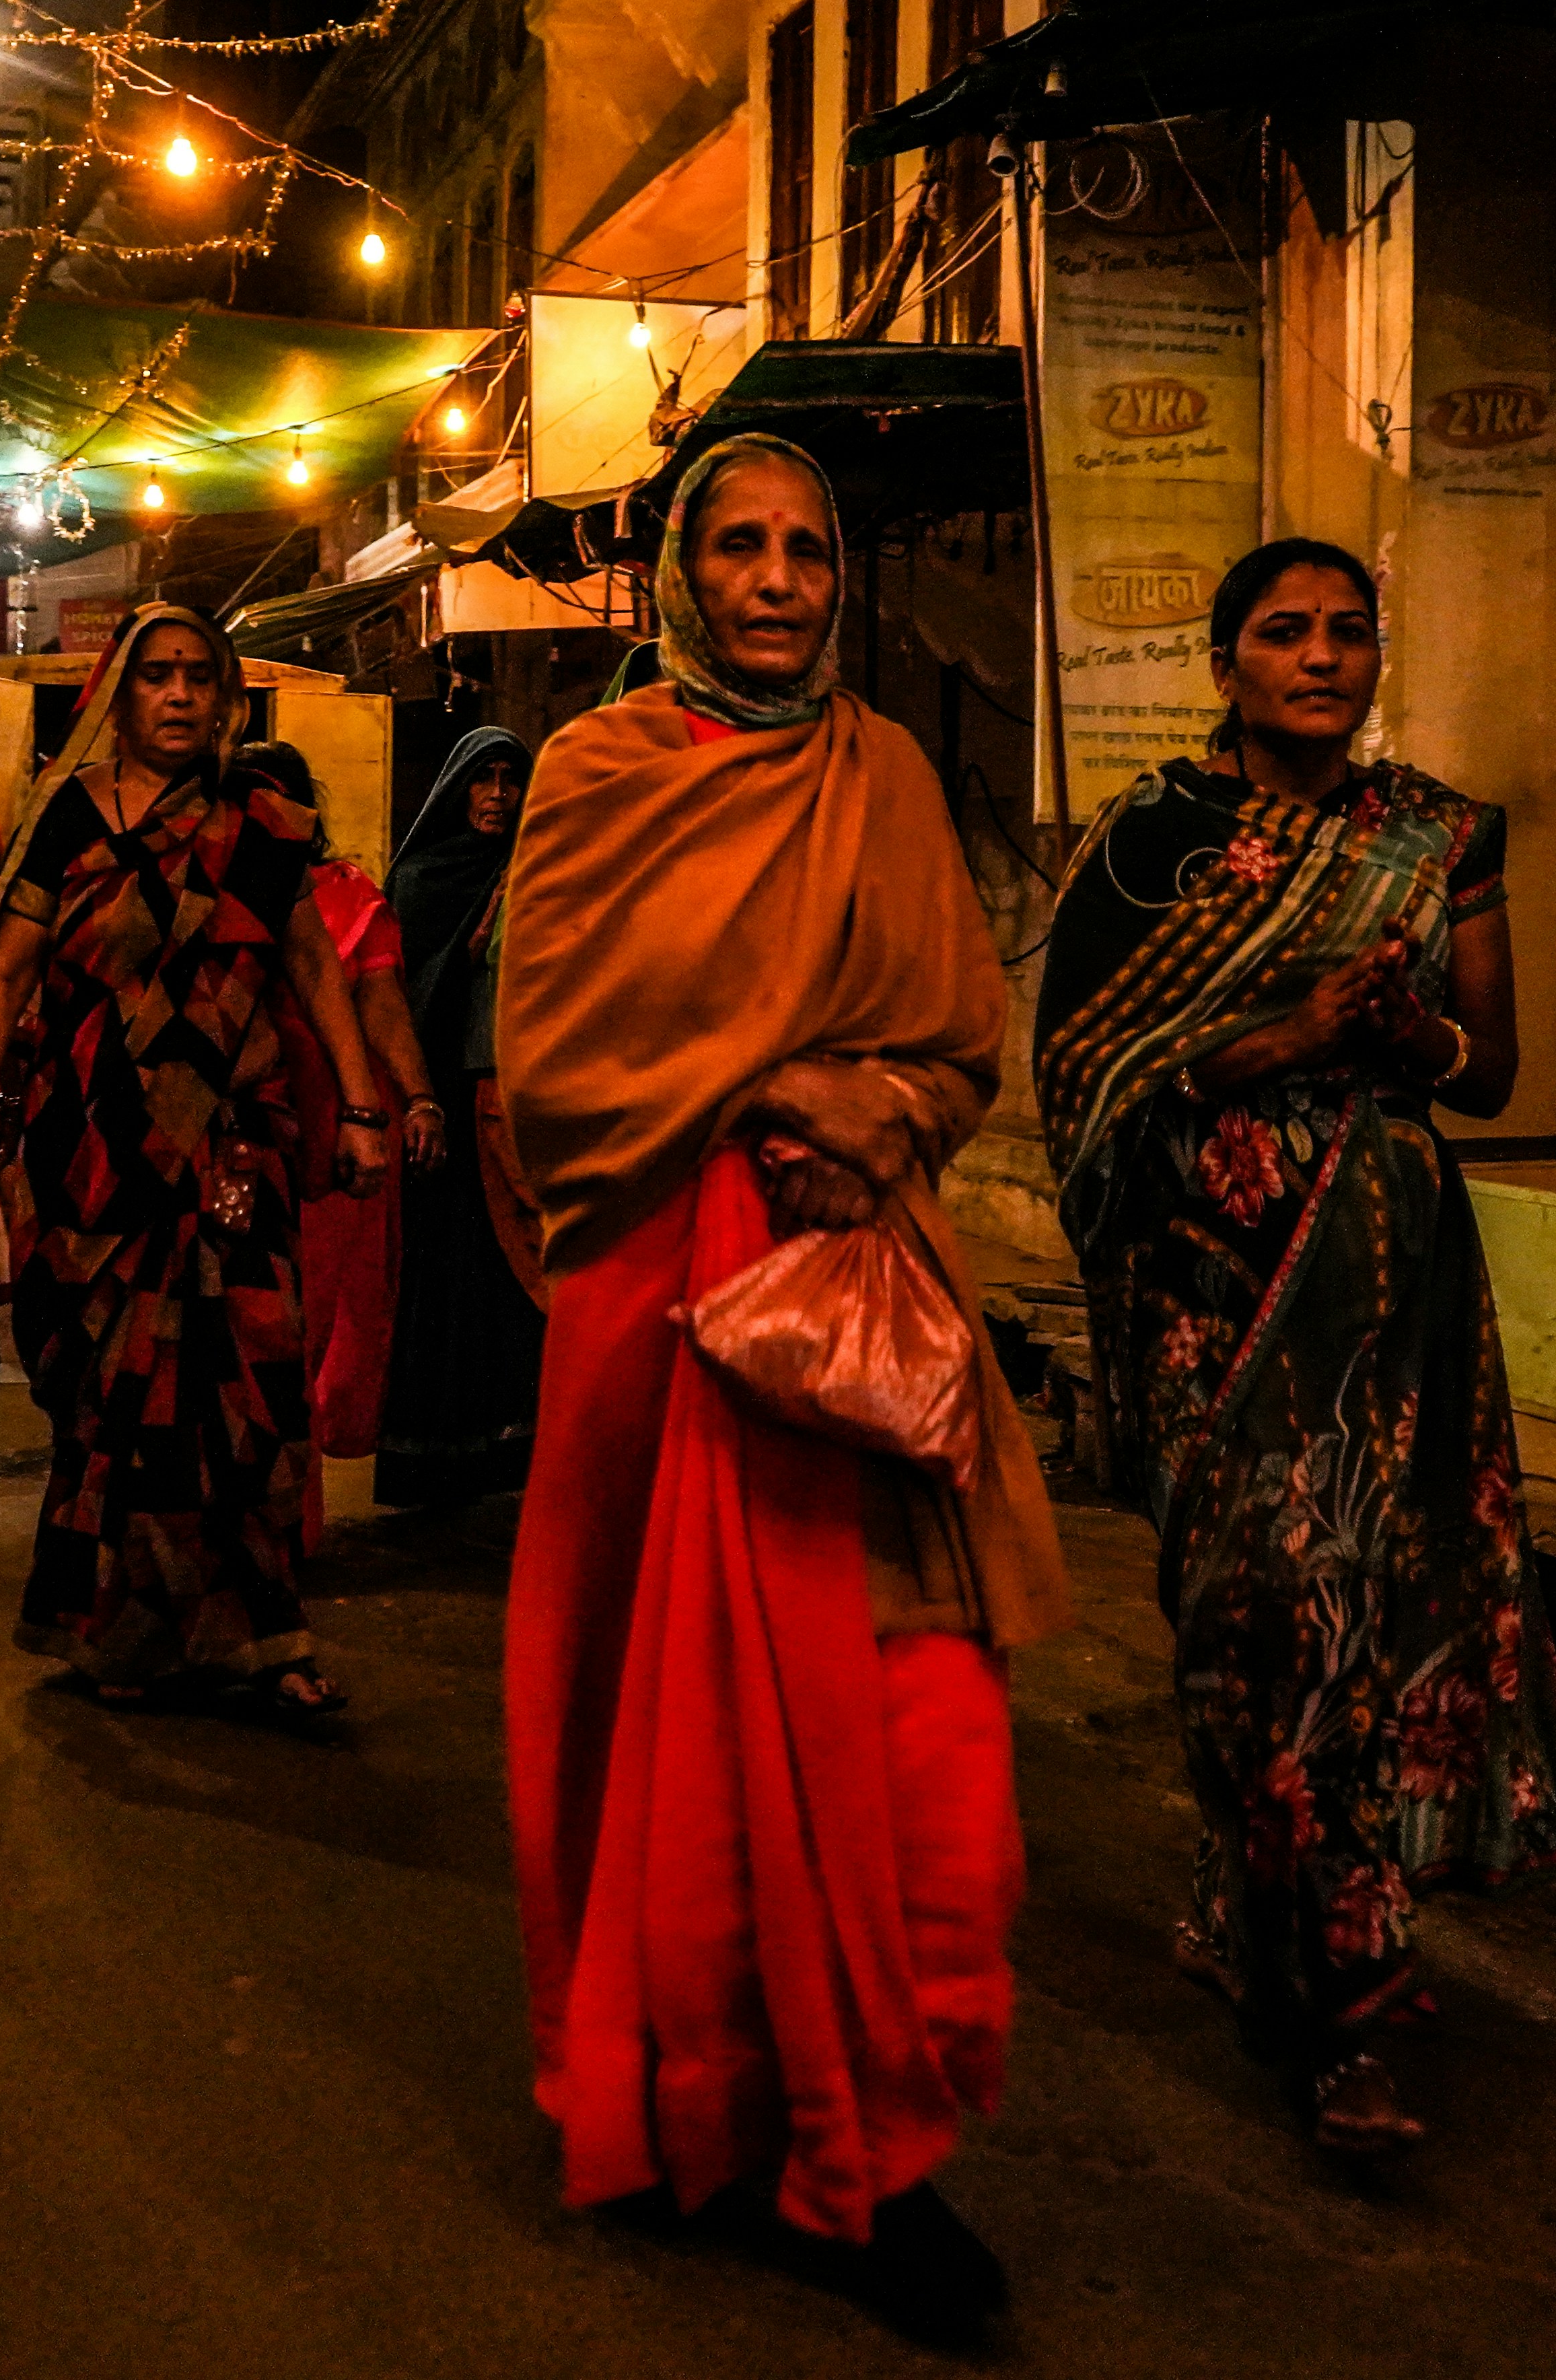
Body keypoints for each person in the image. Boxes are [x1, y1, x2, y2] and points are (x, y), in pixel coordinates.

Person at [497, 434, 1068, 2344]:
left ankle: (871, 2135)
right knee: (667, 1746)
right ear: (679, 571)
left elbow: (963, 1040)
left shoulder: (883, 774)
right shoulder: (597, 778)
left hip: (848, 1320)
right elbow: (558, 1055)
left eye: (808, 549)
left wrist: (882, 1104)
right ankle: (712, 2114)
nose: (775, 579)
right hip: (659, 1316)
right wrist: (770, 1094)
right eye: (735, 544)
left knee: (919, 1754)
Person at [1035, 538, 1556, 2161]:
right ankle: (1268, 1913)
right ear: (1224, 661)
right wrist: (1286, 1037)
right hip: (1203, 1286)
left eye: (1345, 632)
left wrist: (1398, 1035)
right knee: (1254, 1608)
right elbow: (1083, 1068)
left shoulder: (1434, 836)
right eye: (1281, 632)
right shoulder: (1150, 843)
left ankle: (1340, 1998)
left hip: (1385, 1278)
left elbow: (1487, 1068)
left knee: (1345, 1613)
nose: (1318, 656)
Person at [0, 605, 394, 1716]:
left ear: (228, 700)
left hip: (234, 1152)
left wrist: (365, 1103)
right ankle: (124, 1629)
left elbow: (314, 969)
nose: (181, 696)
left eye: (200, 678)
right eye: (158, 678)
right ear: (120, 698)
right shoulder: (70, 821)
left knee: (251, 1392)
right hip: (93, 1154)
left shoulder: (267, 826)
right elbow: (2, 979)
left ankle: (267, 1631)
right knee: (113, 1400)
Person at [240, 740, 444, 1519]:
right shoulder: (209, 885)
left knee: (304, 1326)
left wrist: (414, 1100)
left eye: (279, 797)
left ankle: (290, 1521)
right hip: (235, 1129)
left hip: (328, 1132)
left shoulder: (345, 894)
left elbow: (381, 1006)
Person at [374, 724, 544, 1510]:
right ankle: (434, 1455)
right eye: (485, 779)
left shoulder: (535, 871)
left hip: (510, 1102)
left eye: (512, 780)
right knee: (446, 1275)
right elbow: (404, 999)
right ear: (458, 789)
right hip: (443, 1100)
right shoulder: (423, 877)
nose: (499, 795)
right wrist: (473, 948)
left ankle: (510, 1451)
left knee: (515, 1278)